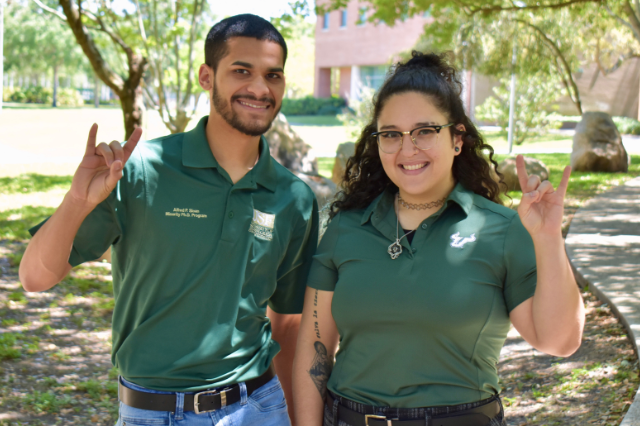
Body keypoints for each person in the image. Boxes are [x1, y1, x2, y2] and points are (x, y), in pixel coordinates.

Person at [19, 14, 319, 426]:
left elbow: (286, 325)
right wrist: (76, 200)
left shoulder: (294, 198)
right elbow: (35, 277)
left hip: (259, 408)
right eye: (241, 71)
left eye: (274, 75)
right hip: (152, 413)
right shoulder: (142, 170)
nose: (260, 88)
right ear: (206, 76)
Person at [292, 52, 585, 426]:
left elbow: (559, 341)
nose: (407, 149)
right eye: (391, 134)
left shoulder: (502, 228)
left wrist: (547, 239)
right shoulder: (346, 228)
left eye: (425, 131)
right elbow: (314, 351)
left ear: (457, 138)